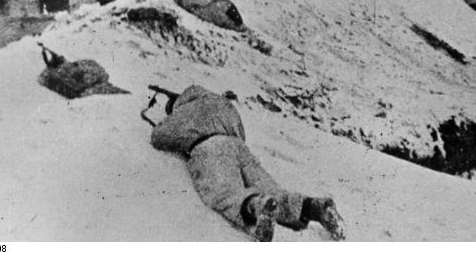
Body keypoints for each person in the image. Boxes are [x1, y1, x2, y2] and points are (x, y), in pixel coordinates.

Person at [145, 84, 346, 242]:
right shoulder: (219, 102)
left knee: (225, 193)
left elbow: (159, 137)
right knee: (271, 188)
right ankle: (312, 207)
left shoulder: (182, 113)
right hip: (239, 147)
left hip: (211, 149)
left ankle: (257, 206)